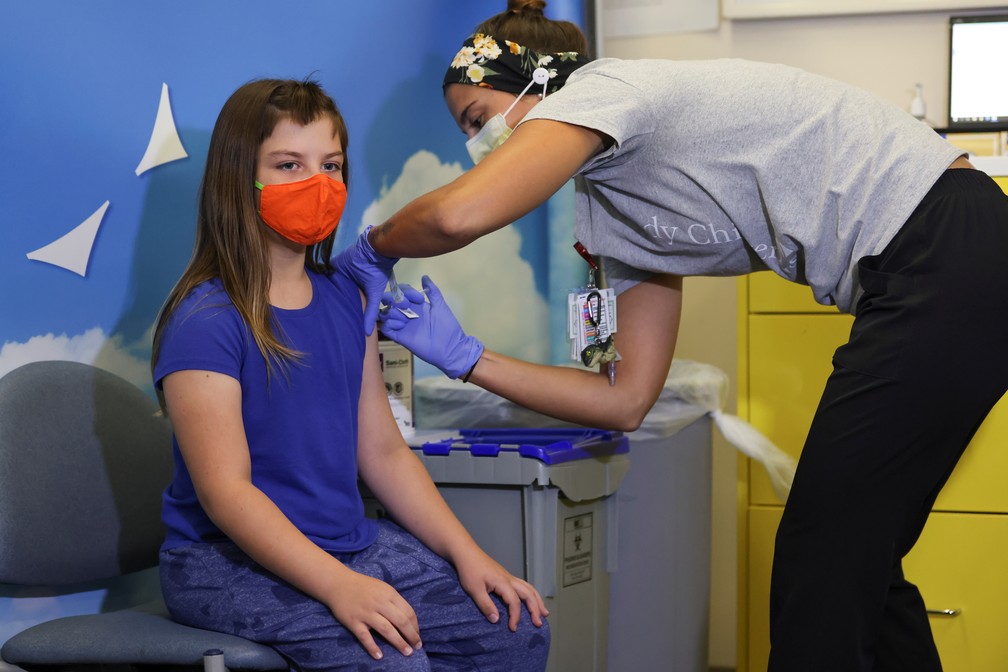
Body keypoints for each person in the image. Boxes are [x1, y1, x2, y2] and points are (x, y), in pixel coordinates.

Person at [333, 1, 1008, 671]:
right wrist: (468, 358)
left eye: (478, 120)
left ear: (540, 85)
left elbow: (459, 214)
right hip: (927, 280)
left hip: (945, 246)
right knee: (857, 557)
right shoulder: (614, 209)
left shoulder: (611, 89)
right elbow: (624, 399)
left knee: (825, 553)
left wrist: (370, 251)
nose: (476, 147)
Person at [149, 77, 549, 671]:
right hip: (220, 561)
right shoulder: (206, 320)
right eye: (289, 164)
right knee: (391, 660)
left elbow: (383, 453)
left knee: (514, 632)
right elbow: (226, 493)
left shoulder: (345, 298)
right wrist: (338, 585)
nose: (317, 183)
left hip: (348, 541)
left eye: (331, 165)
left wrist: (471, 557)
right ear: (240, 177)